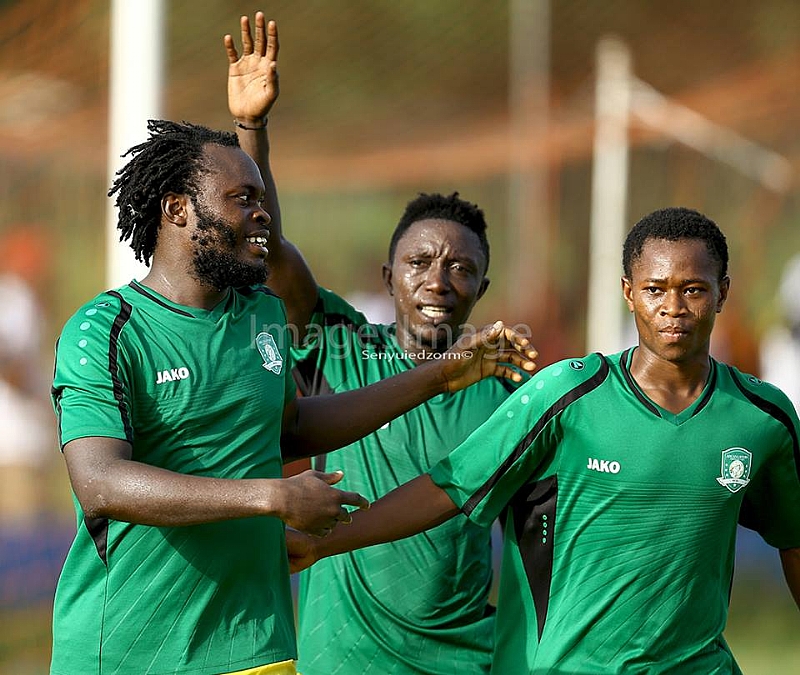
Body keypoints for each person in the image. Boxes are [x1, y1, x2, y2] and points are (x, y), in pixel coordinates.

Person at [49, 116, 536, 675]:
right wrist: (272, 497)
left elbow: (289, 431)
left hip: (258, 644)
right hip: (132, 649)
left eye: (263, 199)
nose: (262, 214)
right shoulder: (106, 327)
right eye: (242, 198)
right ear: (178, 209)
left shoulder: (261, 315)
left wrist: (442, 375)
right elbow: (100, 484)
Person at [289, 207, 800, 674]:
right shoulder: (564, 395)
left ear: (723, 292)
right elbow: (448, 488)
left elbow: (792, 536)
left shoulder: (763, 417)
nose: (673, 307)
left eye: (693, 290)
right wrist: (324, 542)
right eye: (655, 289)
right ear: (628, 292)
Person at [224, 13, 535, 675]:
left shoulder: (510, 393)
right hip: (343, 659)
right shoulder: (337, 343)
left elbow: (540, 546)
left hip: (465, 663)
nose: (438, 280)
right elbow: (269, 247)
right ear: (386, 276)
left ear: (484, 285)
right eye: (419, 262)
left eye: (461, 267)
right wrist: (253, 128)